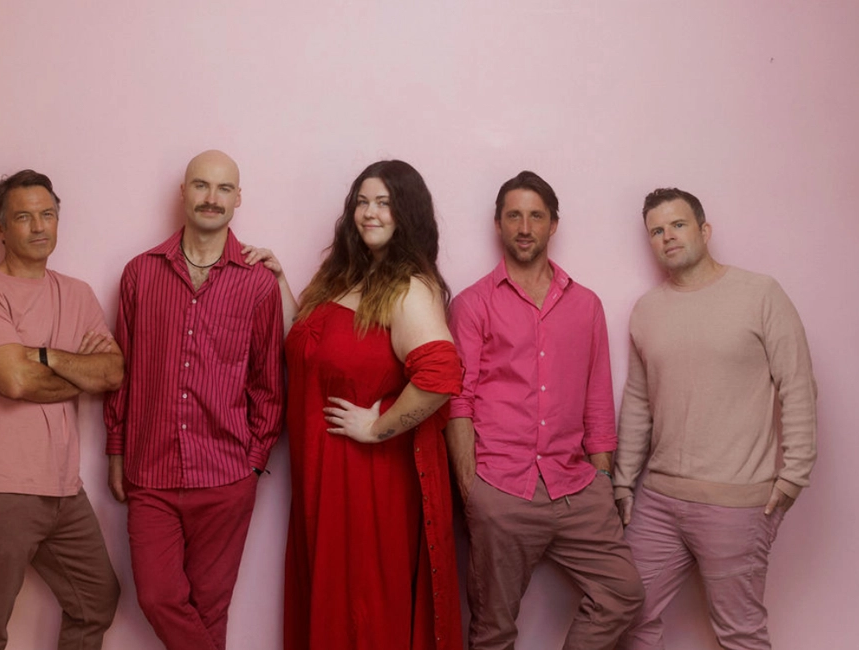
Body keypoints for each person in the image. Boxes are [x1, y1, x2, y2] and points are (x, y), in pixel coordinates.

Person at [446, 171, 644, 650]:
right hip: (501, 488)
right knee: (493, 629)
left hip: (576, 486)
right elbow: (458, 400)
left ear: (553, 224)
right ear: (498, 223)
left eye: (536, 216)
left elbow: (597, 397)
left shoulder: (586, 305)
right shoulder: (473, 304)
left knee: (623, 593)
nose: (524, 227)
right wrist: (473, 491)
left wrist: (602, 479)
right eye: (513, 215)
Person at [614, 188, 818, 650]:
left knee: (740, 633)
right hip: (658, 499)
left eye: (678, 225)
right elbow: (639, 402)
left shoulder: (760, 294)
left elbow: (798, 385)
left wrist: (794, 476)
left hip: (737, 501)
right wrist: (623, 481)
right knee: (627, 614)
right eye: (656, 231)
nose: (667, 236)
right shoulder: (647, 310)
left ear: (704, 230)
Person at [103, 150, 284, 650]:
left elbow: (268, 383)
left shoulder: (257, 282)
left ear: (238, 198)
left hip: (226, 477)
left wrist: (252, 464)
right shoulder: (140, 273)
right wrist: (116, 451)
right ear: (183, 192)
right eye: (201, 185)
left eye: (224, 188)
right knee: (158, 597)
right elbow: (122, 372)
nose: (211, 198)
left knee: (210, 608)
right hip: (150, 473)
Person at [280, 160, 463, 650]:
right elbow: (308, 347)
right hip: (320, 477)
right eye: (362, 201)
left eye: (384, 202)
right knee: (331, 602)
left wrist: (376, 426)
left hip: (367, 481)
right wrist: (277, 279)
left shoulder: (409, 288)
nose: (369, 212)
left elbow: (441, 378)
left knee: (363, 607)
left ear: (407, 213)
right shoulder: (340, 277)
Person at [0, 170, 122, 650]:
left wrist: (41, 355)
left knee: (96, 600)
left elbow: (112, 373)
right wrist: (77, 371)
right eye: (24, 217)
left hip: (64, 488)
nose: (39, 226)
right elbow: (15, 381)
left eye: (47, 214)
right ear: (0, 227)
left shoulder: (77, 293)